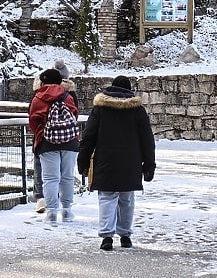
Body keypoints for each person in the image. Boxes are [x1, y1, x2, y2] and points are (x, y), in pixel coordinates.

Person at [77, 75, 156, 251]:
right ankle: (125, 235)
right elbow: (147, 140)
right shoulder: (137, 110)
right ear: (129, 90)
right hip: (131, 162)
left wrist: (83, 161)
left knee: (107, 198)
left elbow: (88, 137)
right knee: (126, 199)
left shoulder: (100, 109)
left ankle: (106, 237)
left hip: (106, 161)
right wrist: (149, 165)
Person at [29, 68, 80, 223]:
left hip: (47, 142)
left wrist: (41, 133)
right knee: (67, 177)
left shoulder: (38, 97)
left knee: (50, 178)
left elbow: (33, 120)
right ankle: (67, 211)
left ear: (43, 81)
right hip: (69, 141)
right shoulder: (67, 96)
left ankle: (51, 212)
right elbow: (74, 114)